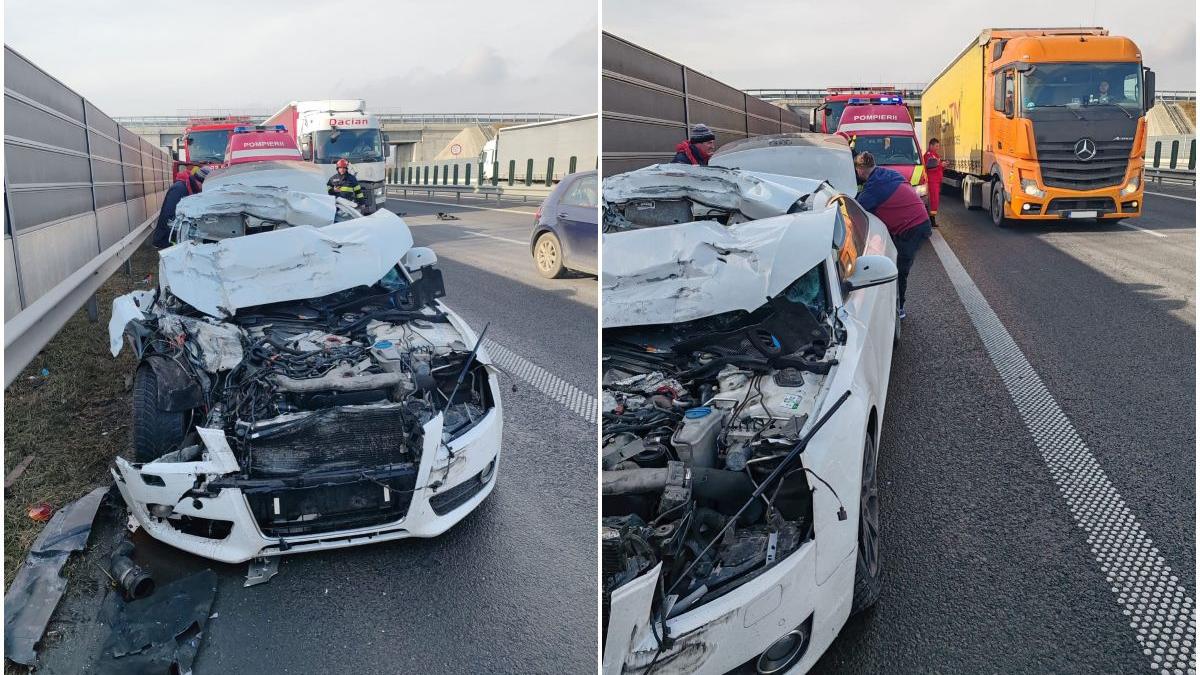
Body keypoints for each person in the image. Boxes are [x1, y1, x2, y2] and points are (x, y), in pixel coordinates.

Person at [854, 152, 931, 319]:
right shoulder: (886, 173)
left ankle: (899, 308)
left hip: (912, 228)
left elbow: (857, 212)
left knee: (899, 269)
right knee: (891, 257)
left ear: (860, 170)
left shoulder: (873, 188)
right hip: (919, 219)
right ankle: (892, 299)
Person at [152, 167, 206, 249]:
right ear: (201, 182)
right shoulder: (179, 189)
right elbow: (168, 216)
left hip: (174, 236)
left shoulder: (190, 188)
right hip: (167, 238)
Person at [922, 138, 945, 227]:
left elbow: (937, 167)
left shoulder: (935, 155)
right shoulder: (928, 155)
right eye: (936, 146)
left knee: (935, 201)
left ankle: (932, 219)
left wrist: (943, 166)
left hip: (936, 181)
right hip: (932, 181)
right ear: (931, 146)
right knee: (933, 201)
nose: (938, 148)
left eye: (938, 146)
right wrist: (940, 165)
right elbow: (930, 167)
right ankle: (931, 220)